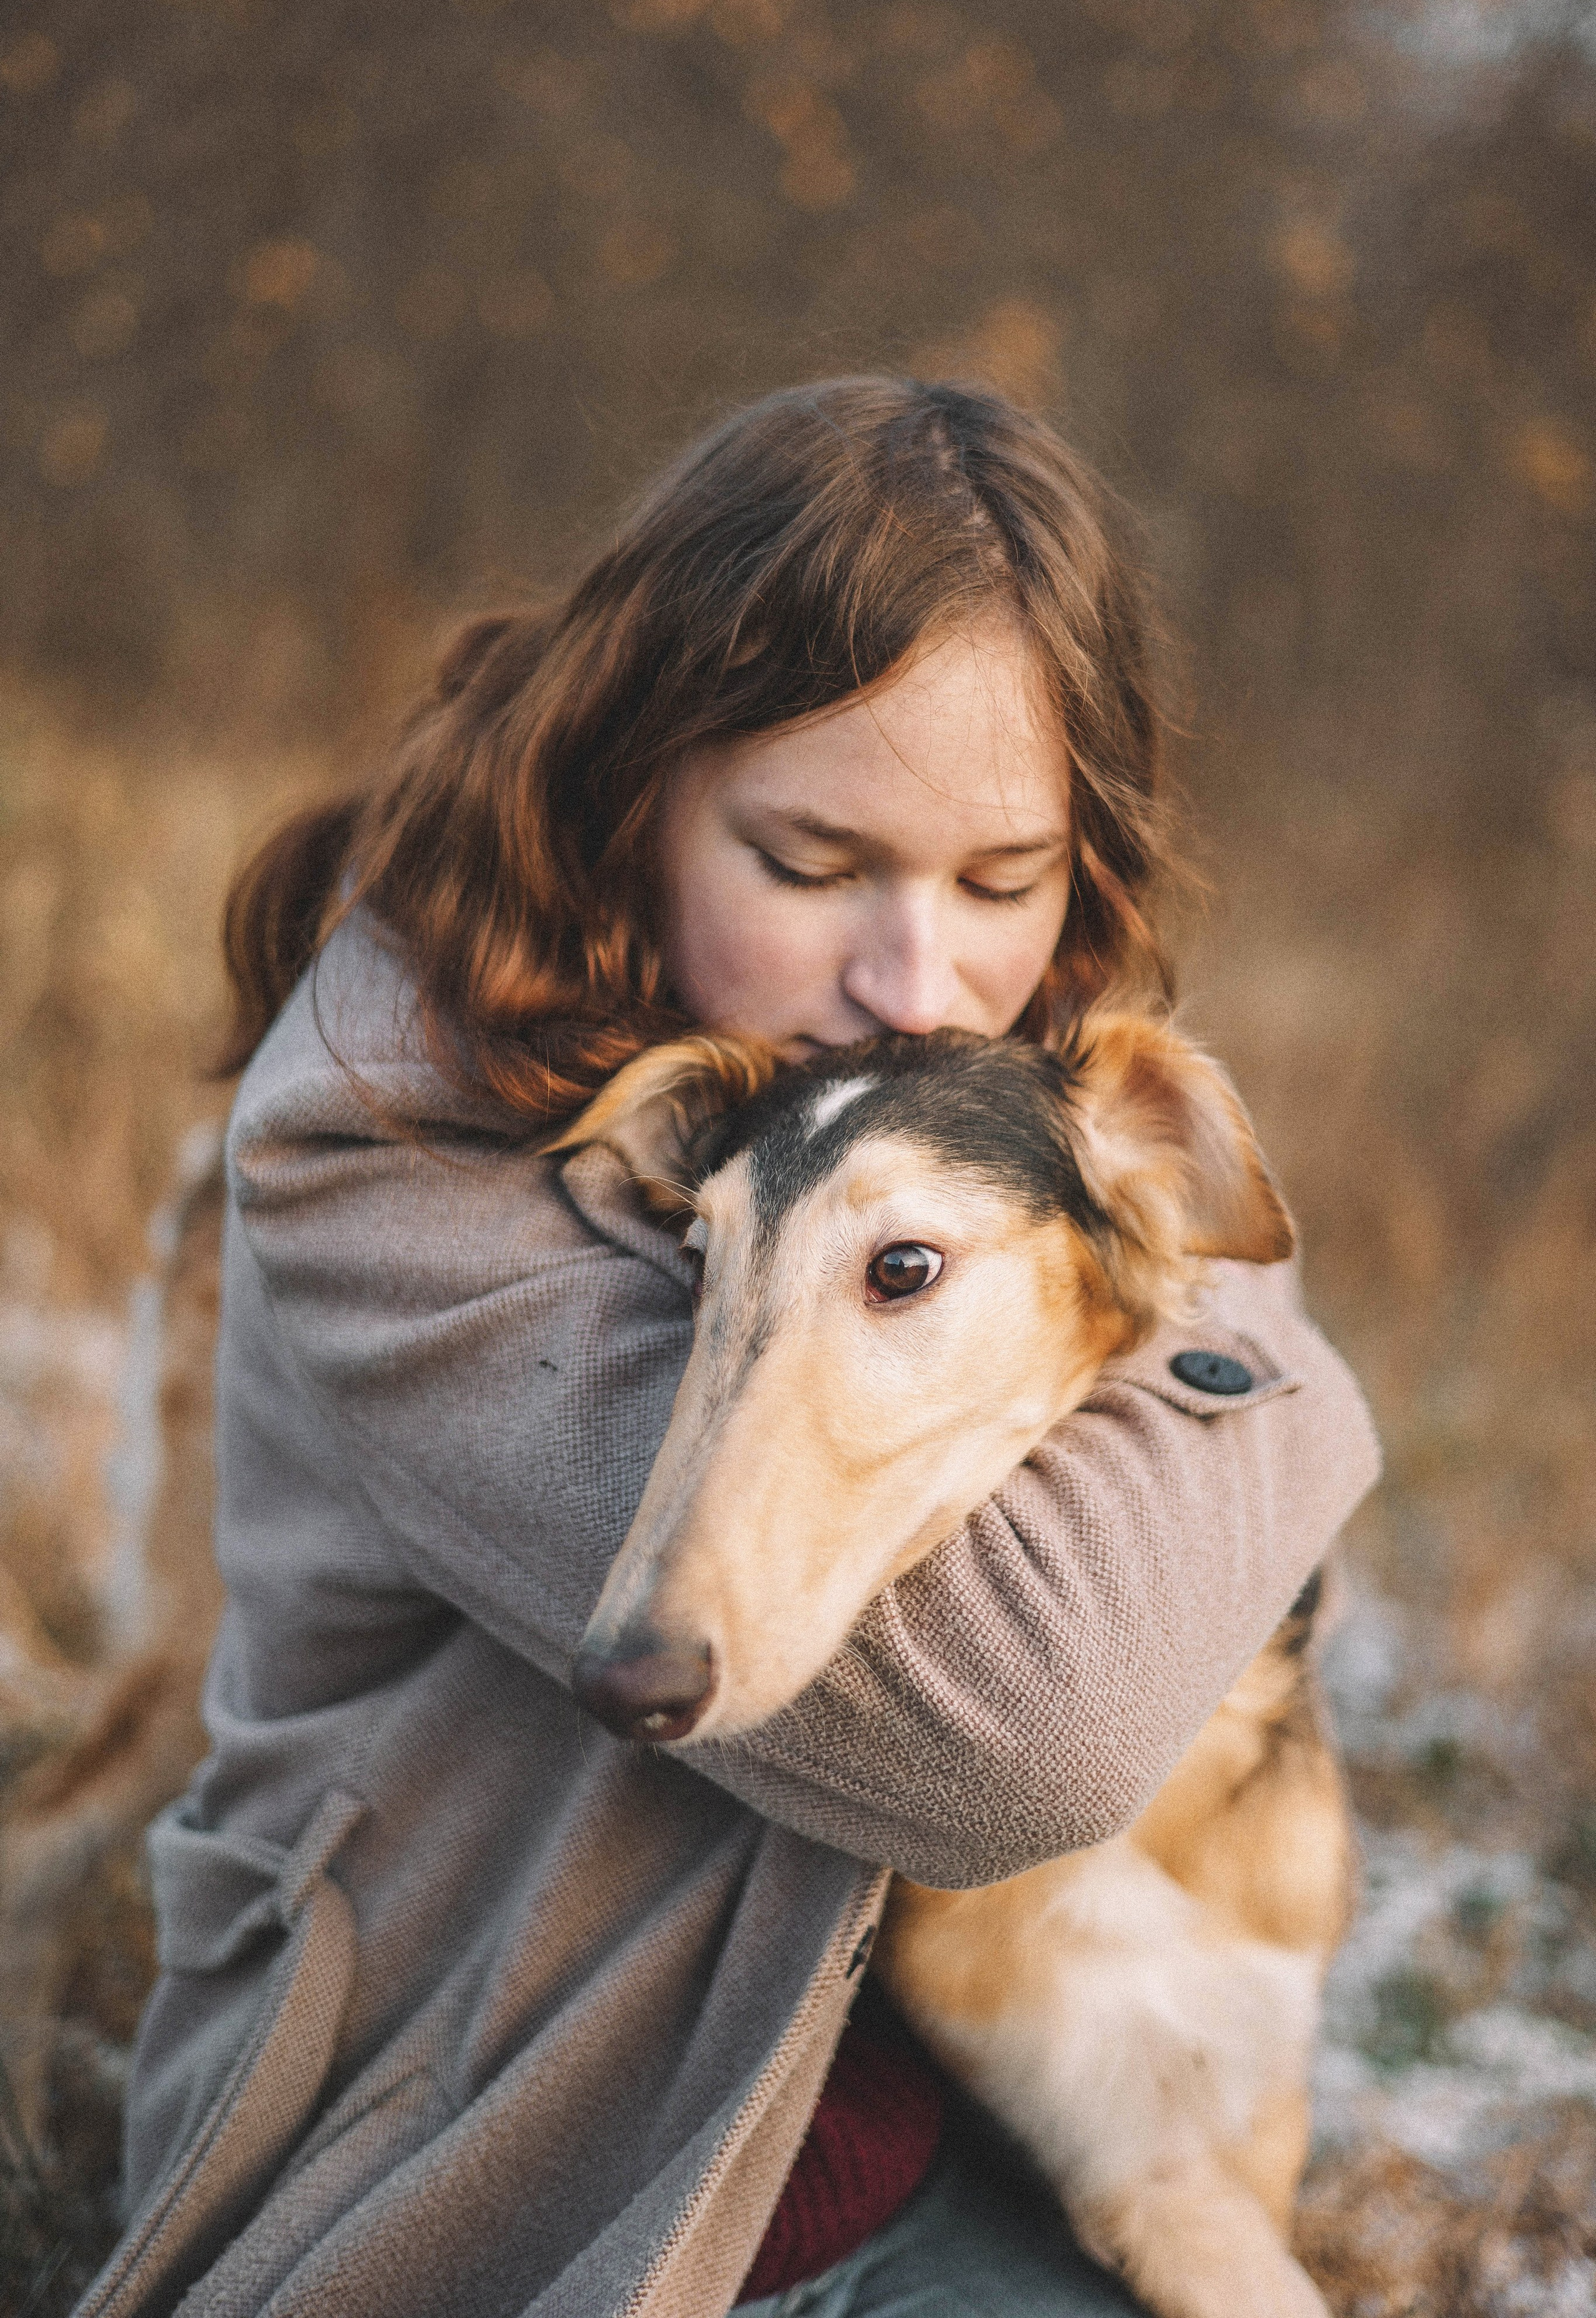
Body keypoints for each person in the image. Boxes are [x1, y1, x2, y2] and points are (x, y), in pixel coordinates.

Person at [80, 378, 1379, 2318]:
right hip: (502, 2173)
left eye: (1001, 883)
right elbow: (1033, 1727)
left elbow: (1272, 1324)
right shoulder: (388, 1152)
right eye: (809, 861)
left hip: (929, 2153)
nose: (916, 981)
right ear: (633, 792)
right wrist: (1263, 1401)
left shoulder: (985, 1081)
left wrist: (1262, 1359)